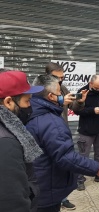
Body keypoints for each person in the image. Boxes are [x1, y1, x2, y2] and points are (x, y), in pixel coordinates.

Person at [25, 75, 99, 212]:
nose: (62, 94)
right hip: (46, 189)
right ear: (50, 96)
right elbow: (66, 157)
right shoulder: (50, 122)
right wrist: (97, 168)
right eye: (59, 92)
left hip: (36, 183)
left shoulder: (29, 110)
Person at [45, 62, 88, 210]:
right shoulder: (40, 89)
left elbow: (73, 108)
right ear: (48, 76)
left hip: (62, 132)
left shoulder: (62, 88)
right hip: (46, 133)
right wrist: (59, 102)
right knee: (49, 168)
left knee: (63, 167)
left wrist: (80, 102)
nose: (61, 80)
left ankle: (63, 198)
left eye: (62, 77)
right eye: (57, 78)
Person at [0, 70, 44, 212]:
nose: (30, 106)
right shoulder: (6, 142)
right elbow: (12, 202)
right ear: (8, 102)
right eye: (27, 101)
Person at [74, 74, 99, 190]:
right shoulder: (82, 92)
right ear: (90, 84)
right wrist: (92, 111)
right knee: (83, 157)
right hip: (86, 131)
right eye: (96, 88)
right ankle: (79, 180)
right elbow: (77, 111)